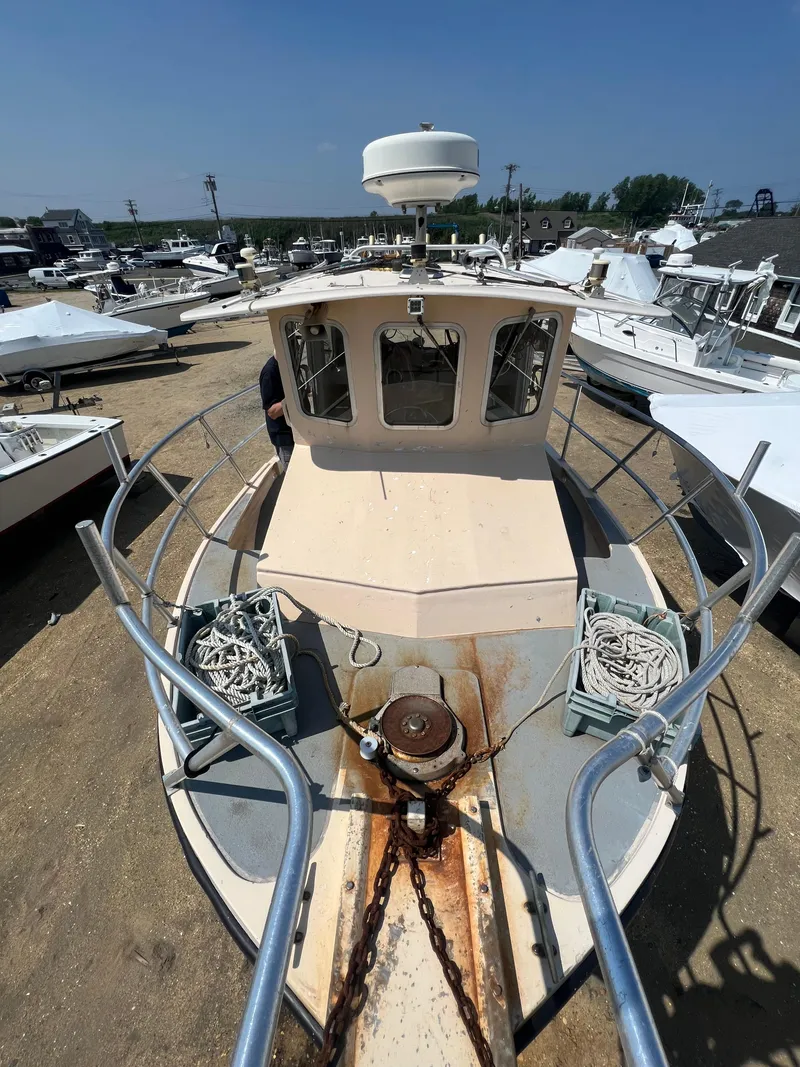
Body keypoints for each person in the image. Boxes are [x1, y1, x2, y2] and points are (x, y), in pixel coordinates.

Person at [259, 355, 294, 467]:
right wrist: (296, 397)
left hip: (296, 432)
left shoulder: (286, 364)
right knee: (292, 475)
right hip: (285, 438)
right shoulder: (270, 373)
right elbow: (273, 412)